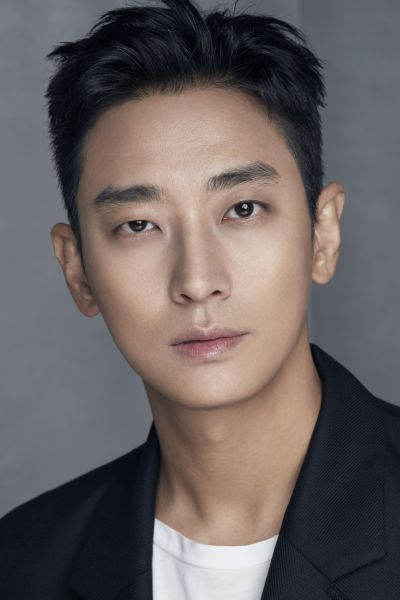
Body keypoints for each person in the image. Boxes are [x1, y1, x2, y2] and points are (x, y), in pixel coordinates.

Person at [1, 0, 399, 598]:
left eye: (243, 209)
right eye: (139, 224)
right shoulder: (23, 563)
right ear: (77, 269)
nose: (196, 279)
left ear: (323, 235)